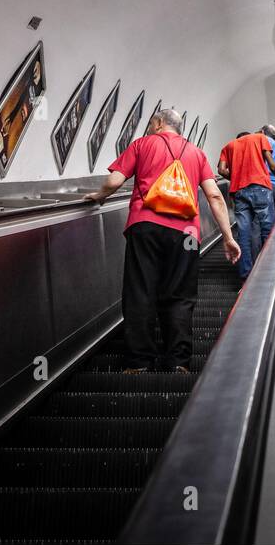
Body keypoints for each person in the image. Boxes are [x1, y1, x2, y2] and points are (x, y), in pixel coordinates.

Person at [84, 108, 239, 373]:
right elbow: (214, 196)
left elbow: (114, 180)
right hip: (186, 233)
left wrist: (99, 196)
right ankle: (178, 361)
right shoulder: (196, 152)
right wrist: (228, 237)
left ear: (157, 123)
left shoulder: (142, 144)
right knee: (180, 294)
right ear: (178, 126)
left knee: (140, 291)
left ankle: (139, 362)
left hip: (145, 227)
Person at [219, 130, 275, 278]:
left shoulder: (229, 146)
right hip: (260, 188)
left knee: (244, 234)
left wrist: (237, 176)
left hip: (239, 192)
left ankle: (246, 277)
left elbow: (221, 170)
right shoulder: (260, 138)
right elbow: (273, 166)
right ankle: (270, 273)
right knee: (268, 231)